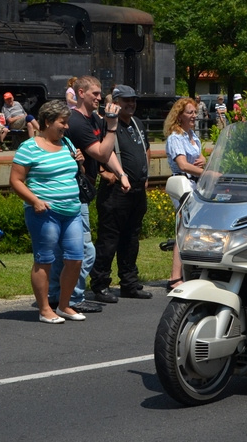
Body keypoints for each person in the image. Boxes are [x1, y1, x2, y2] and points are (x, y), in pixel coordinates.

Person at [49, 75, 130, 312]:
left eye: (99, 93)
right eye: (95, 93)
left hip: (79, 192)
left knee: (66, 249)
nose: (99, 97)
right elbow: (102, 152)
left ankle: (59, 296)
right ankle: (72, 298)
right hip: (72, 192)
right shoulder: (77, 121)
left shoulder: (93, 119)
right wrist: (113, 126)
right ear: (81, 93)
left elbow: (109, 154)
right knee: (83, 250)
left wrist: (122, 174)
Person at [10, 100, 88, 323]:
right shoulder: (29, 147)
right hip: (45, 213)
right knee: (44, 259)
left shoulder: (68, 144)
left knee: (75, 259)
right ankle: (45, 309)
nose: (66, 127)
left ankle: (64, 305)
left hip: (72, 210)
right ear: (47, 121)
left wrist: (80, 163)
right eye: (62, 122)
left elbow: (76, 173)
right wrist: (34, 200)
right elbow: (15, 180)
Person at [91, 85, 153, 301]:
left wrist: (146, 176)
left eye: (134, 100)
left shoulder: (137, 124)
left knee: (131, 238)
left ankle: (129, 283)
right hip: (115, 191)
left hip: (137, 190)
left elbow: (145, 150)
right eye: (127, 100)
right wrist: (102, 172)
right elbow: (95, 152)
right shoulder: (106, 124)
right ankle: (100, 284)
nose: (131, 104)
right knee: (109, 239)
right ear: (115, 102)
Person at [163, 97, 205, 291]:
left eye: (195, 112)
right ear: (179, 116)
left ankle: (192, 271)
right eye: (190, 113)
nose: (194, 116)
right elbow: (182, 164)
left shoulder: (193, 136)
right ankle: (174, 277)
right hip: (183, 184)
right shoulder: (175, 137)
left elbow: (199, 157)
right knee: (184, 229)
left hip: (196, 185)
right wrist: (208, 173)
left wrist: (203, 160)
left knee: (195, 228)